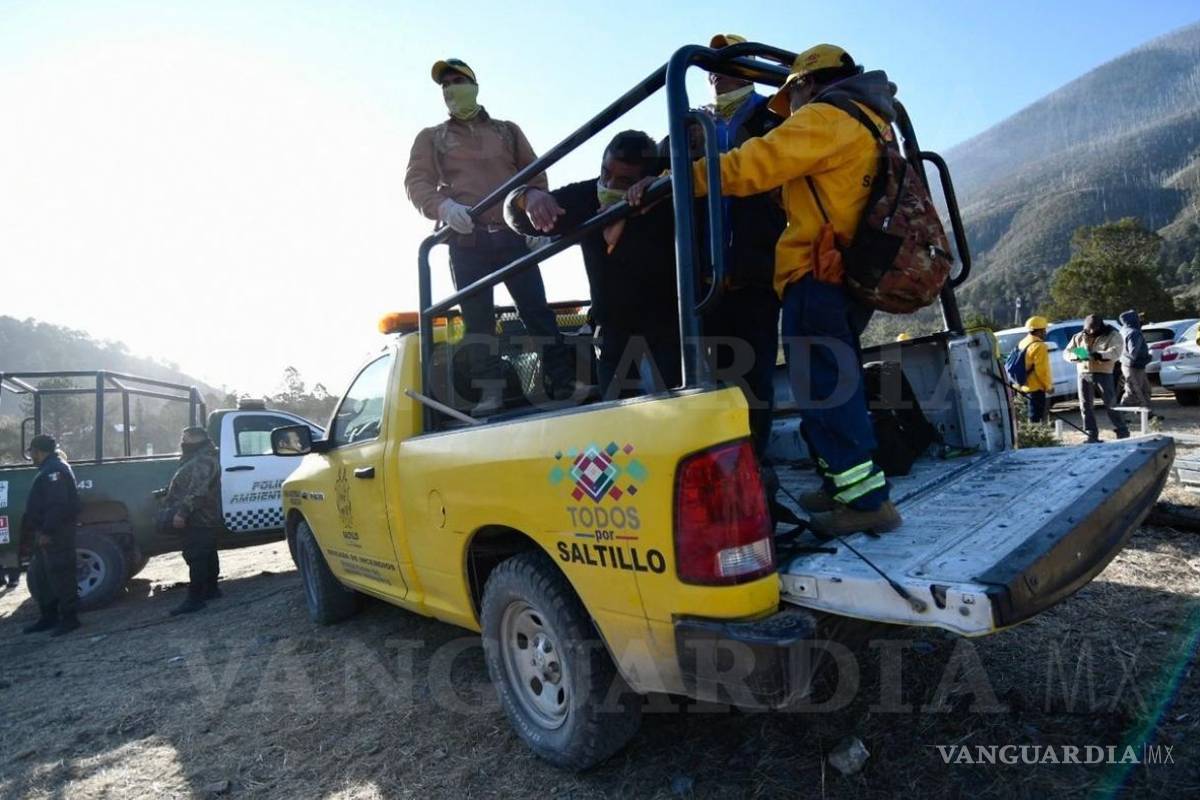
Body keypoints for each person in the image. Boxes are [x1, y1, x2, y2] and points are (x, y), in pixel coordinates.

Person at [631, 44, 901, 536]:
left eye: (791, 97)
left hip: (815, 273)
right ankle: (849, 489)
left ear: (806, 84)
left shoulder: (826, 117)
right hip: (846, 274)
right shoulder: (873, 121)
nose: (789, 112)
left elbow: (752, 164)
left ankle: (867, 505)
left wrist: (677, 180)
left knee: (824, 391)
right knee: (833, 385)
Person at [405, 58, 576, 414]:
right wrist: (443, 207)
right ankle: (491, 392)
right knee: (478, 320)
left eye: (458, 80)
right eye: (445, 84)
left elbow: (535, 174)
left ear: (475, 85)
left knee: (536, 310)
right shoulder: (432, 137)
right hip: (467, 239)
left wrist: (533, 222)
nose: (452, 88)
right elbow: (416, 182)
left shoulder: (507, 131)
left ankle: (563, 381)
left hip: (514, 235)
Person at [505, 130, 680, 398]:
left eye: (623, 180)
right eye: (605, 172)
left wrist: (660, 189)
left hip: (668, 333)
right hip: (613, 337)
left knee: (679, 422)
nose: (608, 184)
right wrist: (526, 196)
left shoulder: (668, 197)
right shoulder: (586, 196)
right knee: (618, 426)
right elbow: (514, 215)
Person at [693, 33, 787, 456]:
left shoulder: (775, 115)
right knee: (710, 383)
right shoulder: (690, 124)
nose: (718, 71)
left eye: (728, 61)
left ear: (747, 68)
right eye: (713, 63)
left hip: (757, 270)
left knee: (755, 380)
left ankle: (757, 468)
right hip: (704, 275)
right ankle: (722, 475)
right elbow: (653, 172)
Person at [21, 434, 82, 636]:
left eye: (32, 453)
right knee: (43, 577)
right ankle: (48, 617)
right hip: (45, 534)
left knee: (62, 575)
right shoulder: (48, 468)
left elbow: (59, 505)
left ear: (38, 451)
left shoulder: (55, 470)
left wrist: (47, 531)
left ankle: (70, 618)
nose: (32, 457)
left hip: (57, 534)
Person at [164, 427, 222, 615]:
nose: (182, 442)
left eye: (185, 439)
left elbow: (198, 491)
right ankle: (211, 589)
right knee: (207, 553)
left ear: (196, 439)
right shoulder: (199, 457)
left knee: (196, 556)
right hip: (203, 516)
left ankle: (195, 599)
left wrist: (182, 513)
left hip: (199, 517)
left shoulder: (204, 459)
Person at [1064, 314, 1129, 442]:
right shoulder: (1078, 337)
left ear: (1101, 326)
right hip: (1083, 373)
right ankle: (1091, 433)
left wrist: (1099, 355)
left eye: (1094, 328)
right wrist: (1079, 355)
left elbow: (1116, 352)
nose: (1092, 331)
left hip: (1104, 373)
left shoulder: (1113, 335)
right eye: (1089, 329)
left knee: (1110, 404)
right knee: (1085, 405)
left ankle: (1122, 431)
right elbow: (1067, 352)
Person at [1015, 316, 1053, 424]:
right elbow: (1042, 371)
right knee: (1036, 419)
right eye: (1044, 330)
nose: (1045, 332)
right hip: (1036, 387)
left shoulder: (1023, 342)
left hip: (1024, 386)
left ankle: (1031, 436)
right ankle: (1035, 439)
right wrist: (1048, 386)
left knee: (1029, 417)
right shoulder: (1040, 346)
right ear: (1040, 331)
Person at [1119, 309, 1153, 410]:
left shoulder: (1123, 330)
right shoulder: (1134, 333)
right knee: (1133, 391)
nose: (1140, 320)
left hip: (1130, 365)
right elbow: (1134, 352)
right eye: (1138, 318)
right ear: (1133, 320)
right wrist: (1148, 357)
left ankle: (1147, 414)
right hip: (1134, 366)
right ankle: (1120, 415)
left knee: (1145, 390)